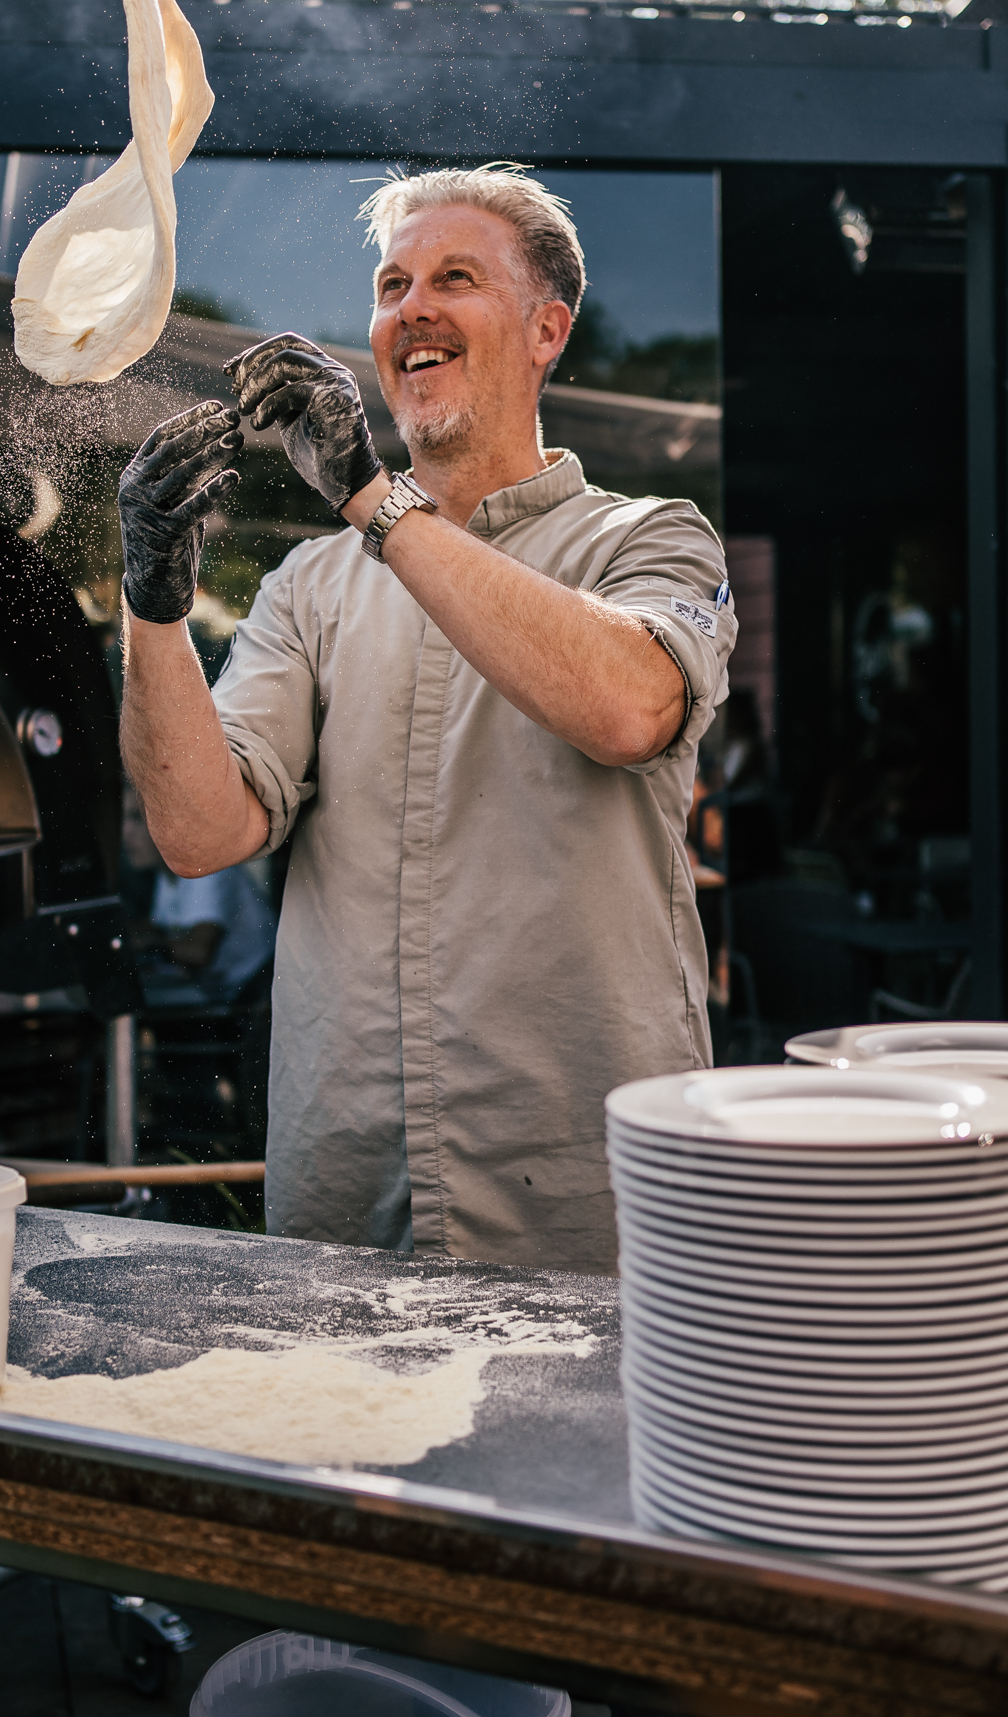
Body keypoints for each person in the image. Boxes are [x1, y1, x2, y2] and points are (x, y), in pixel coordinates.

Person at [119, 165, 736, 1273]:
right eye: (393, 282)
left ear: (548, 329)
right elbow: (198, 832)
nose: (413, 307)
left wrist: (371, 495)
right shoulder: (309, 586)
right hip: (346, 1192)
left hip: (585, 1193)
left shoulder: (651, 539)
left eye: (456, 277)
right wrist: (153, 608)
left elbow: (630, 705)